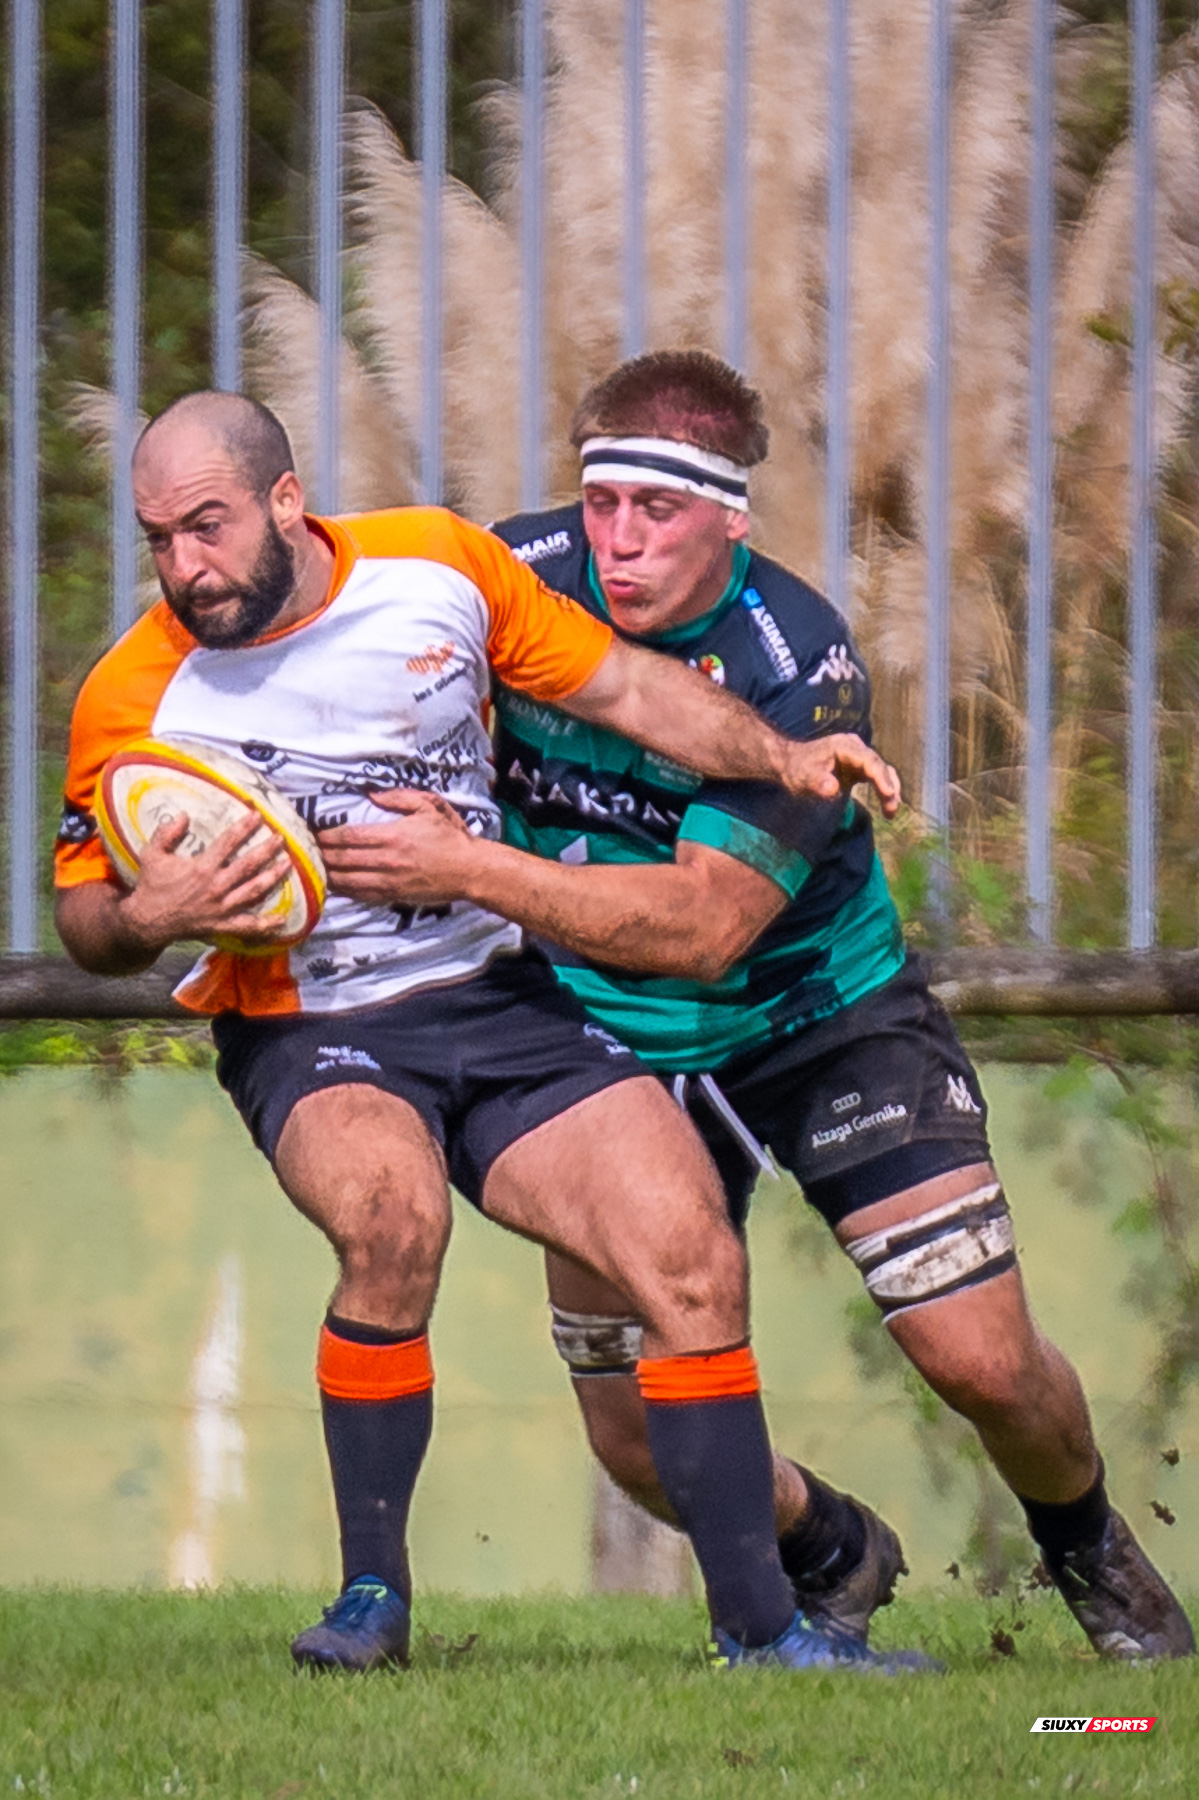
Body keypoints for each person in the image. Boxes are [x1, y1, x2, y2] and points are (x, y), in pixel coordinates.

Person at [325, 351, 1196, 1663]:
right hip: (592, 1044)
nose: (618, 540)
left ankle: (1089, 1549)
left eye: (657, 513)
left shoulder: (800, 664)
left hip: (816, 1020)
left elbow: (701, 927)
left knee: (977, 1357)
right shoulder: (504, 583)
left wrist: (471, 867)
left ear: (732, 515)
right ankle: (825, 1548)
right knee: (634, 1441)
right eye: (601, 503)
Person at [53, 389, 937, 1679]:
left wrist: (784, 755)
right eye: (159, 539)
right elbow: (83, 915)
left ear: (288, 502)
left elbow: (632, 687)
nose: (185, 566)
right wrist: (153, 912)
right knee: (389, 1217)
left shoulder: (440, 570)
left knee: (689, 1249)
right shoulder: (132, 694)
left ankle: (764, 1633)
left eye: (207, 526)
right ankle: (370, 1601)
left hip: (494, 993)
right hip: (310, 1019)